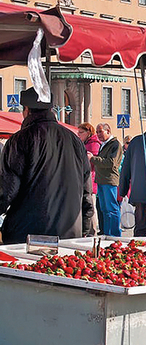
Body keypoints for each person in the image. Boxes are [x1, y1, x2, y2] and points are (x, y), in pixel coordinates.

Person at [0, 87, 92, 244]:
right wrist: (85, 228)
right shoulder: (75, 140)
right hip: (69, 233)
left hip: (27, 234)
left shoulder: (19, 140)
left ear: (26, 110)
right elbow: (86, 191)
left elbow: (7, 191)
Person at [90, 123, 123, 237]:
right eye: (97, 132)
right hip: (102, 180)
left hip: (109, 180)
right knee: (104, 209)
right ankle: (107, 233)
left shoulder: (115, 144)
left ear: (108, 131)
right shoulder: (104, 144)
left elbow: (111, 163)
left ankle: (114, 234)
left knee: (112, 208)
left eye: (100, 131)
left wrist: (93, 159)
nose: (98, 134)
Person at [78, 122, 101, 233]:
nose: (79, 134)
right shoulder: (86, 143)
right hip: (88, 179)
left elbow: (91, 162)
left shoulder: (93, 144)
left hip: (91, 180)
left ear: (88, 132)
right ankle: (90, 230)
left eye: (81, 132)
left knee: (91, 207)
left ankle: (93, 230)